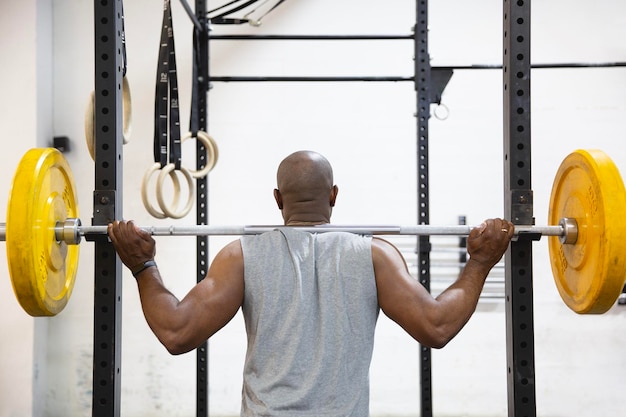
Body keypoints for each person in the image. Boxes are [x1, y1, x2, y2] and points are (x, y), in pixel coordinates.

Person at [108, 150, 514, 417]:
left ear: (278, 199)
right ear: (334, 195)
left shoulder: (241, 256)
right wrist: (480, 261)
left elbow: (177, 333)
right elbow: (437, 326)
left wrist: (143, 266)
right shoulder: (375, 255)